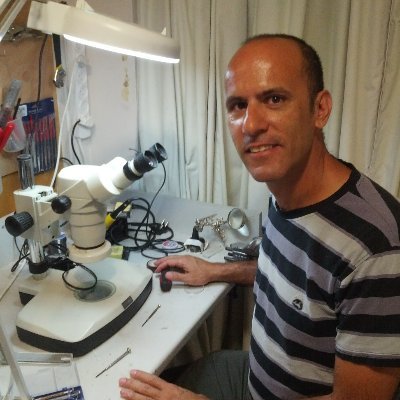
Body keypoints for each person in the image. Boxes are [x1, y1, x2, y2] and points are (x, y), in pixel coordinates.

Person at [119, 34, 400, 399]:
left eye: (274, 99)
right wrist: (215, 272)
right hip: (255, 376)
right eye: (238, 105)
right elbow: (298, 278)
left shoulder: (375, 247)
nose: (250, 125)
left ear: (320, 109)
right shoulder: (286, 193)